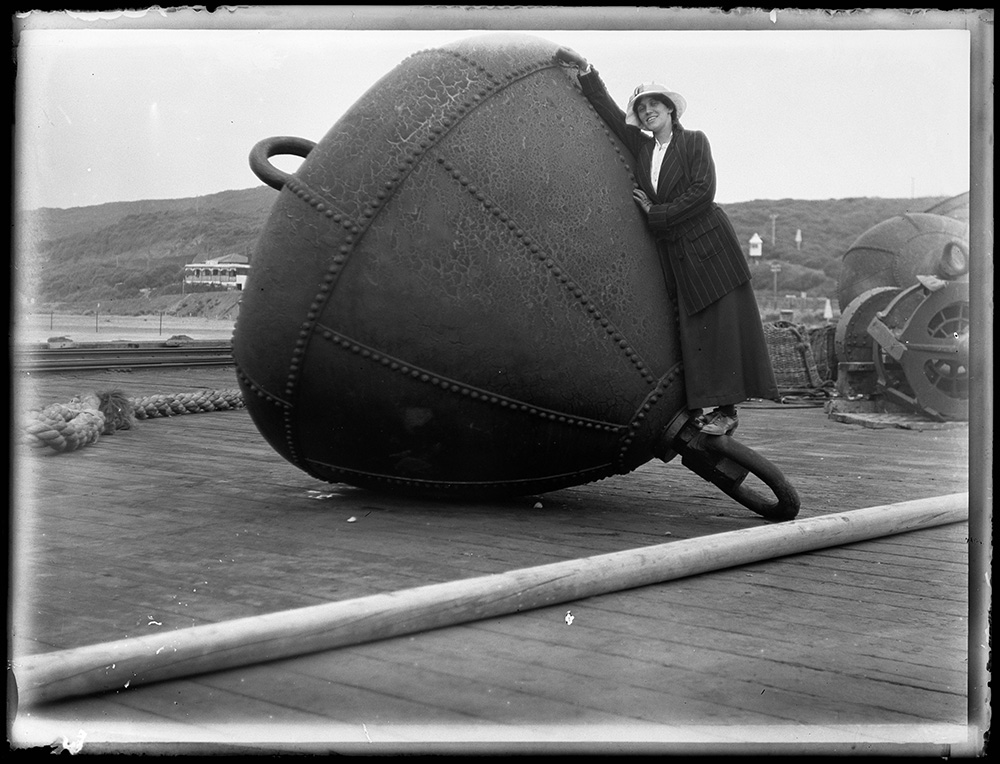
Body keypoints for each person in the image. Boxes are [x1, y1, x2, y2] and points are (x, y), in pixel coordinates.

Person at [555, 47, 778, 436]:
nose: (647, 112)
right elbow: (608, 111)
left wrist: (656, 214)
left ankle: (727, 412)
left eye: (654, 104)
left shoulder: (694, 141)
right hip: (677, 251)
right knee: (691, 329)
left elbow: (703, 191)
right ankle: (701, 408)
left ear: (671, 110)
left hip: (710, 245)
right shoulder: (643, 147)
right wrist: (587, 72)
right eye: (642, 108)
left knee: (721, 325)